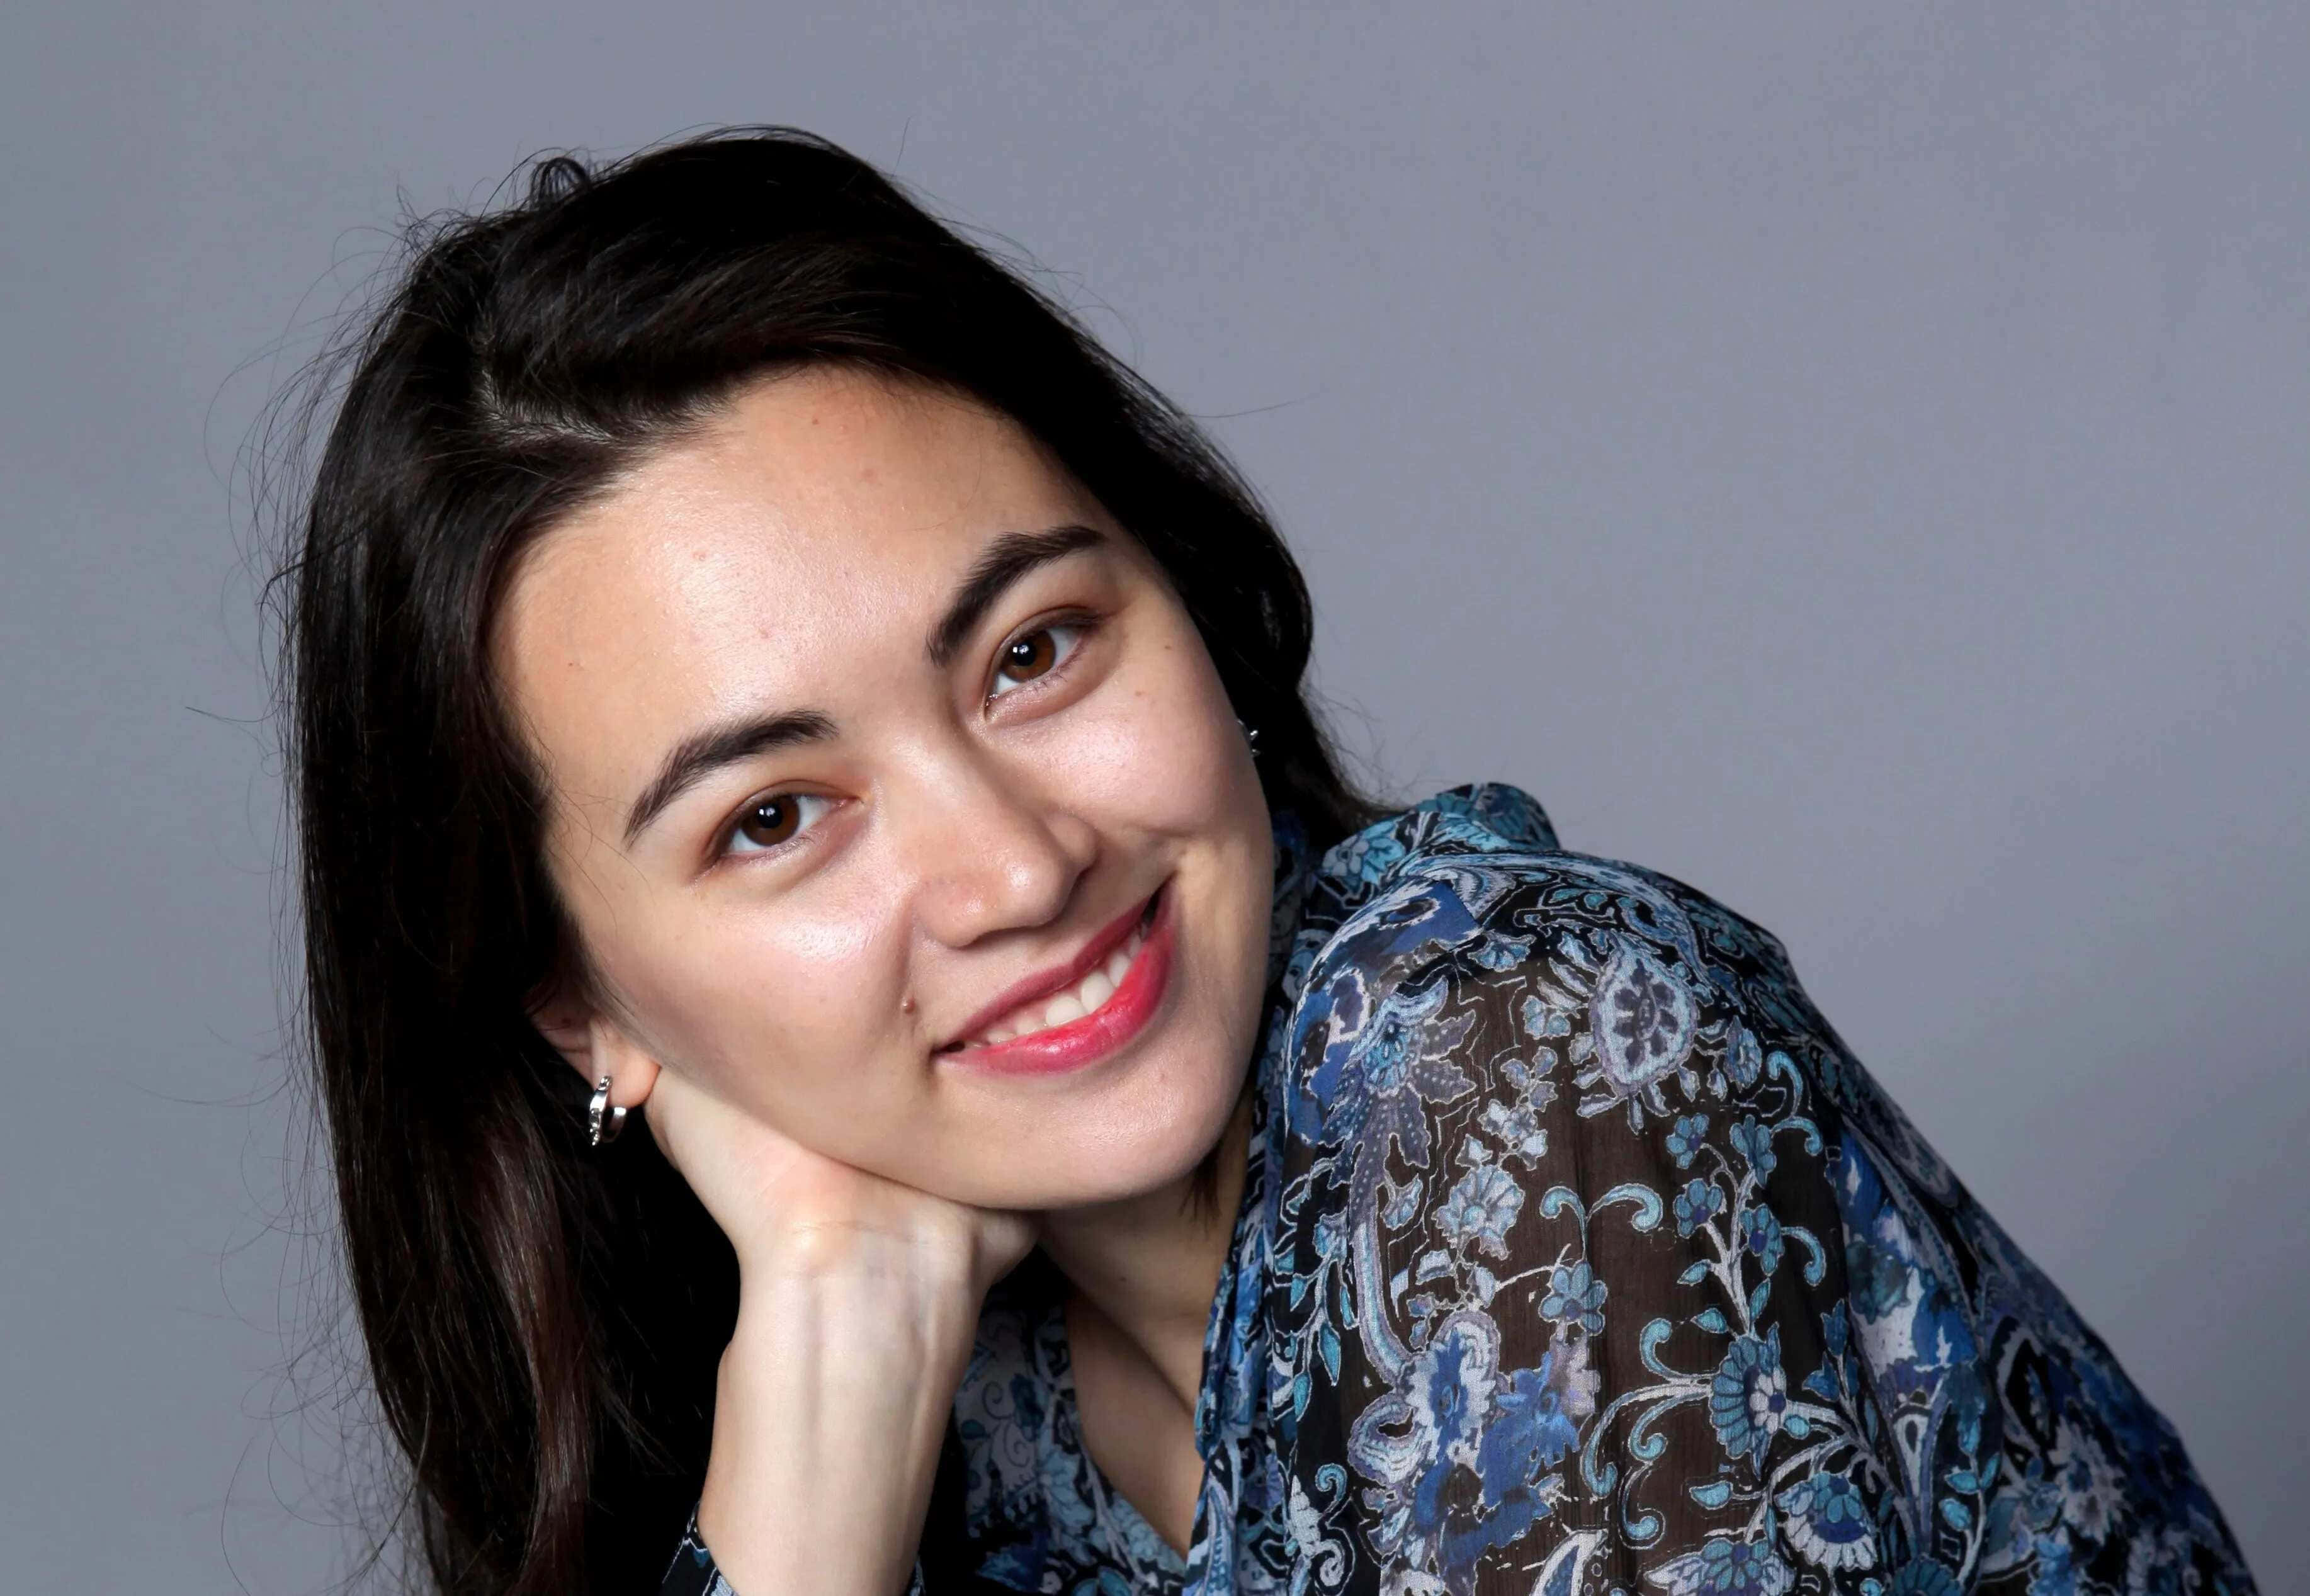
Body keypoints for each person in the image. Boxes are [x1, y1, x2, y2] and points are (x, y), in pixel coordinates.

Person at [272, 127, 2255, 1596]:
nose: (1014, 868)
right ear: (587, 1008)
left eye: (1033, 651)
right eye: (776, 817)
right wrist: (831, 1360)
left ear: (1187, 601)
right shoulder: (944, 1380)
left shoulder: (1527, 1059)